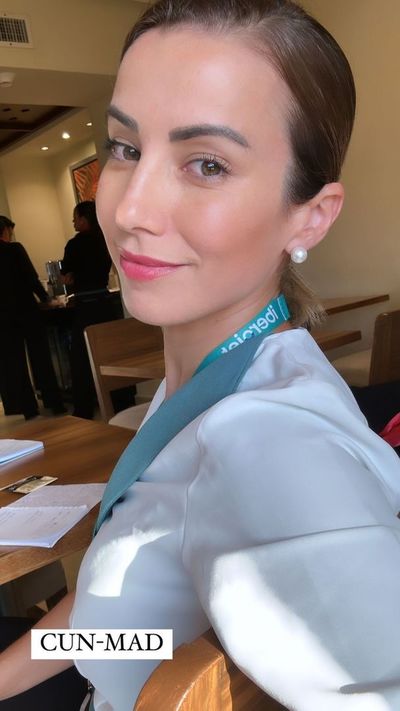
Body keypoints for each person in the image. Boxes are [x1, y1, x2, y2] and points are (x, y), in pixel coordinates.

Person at [1, 1, 400, 709]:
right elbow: (122, 626)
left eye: (207, 163)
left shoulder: (265, 442)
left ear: (311, 215)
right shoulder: (218, 377)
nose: (129, 210)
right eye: (126, 148)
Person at [0, 216, 65, 419]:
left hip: (3, 317)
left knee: (15, 361)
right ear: (5, 230)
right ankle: (54, 403)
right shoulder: (14, 249)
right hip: (25, 310)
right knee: (40, 357)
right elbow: (31, 278)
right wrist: (46, 298)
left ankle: (28, 409)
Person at [60, 202, 119, 418]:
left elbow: (66, 276)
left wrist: (73, 276)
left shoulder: (74, 244)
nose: (73, 222)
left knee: (81, 358)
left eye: (75, 217)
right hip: (105, 302)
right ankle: (120, 402)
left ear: (84, 219)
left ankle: (84, 409)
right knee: (112, 355)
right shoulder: (106, 239)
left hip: (85, 306)